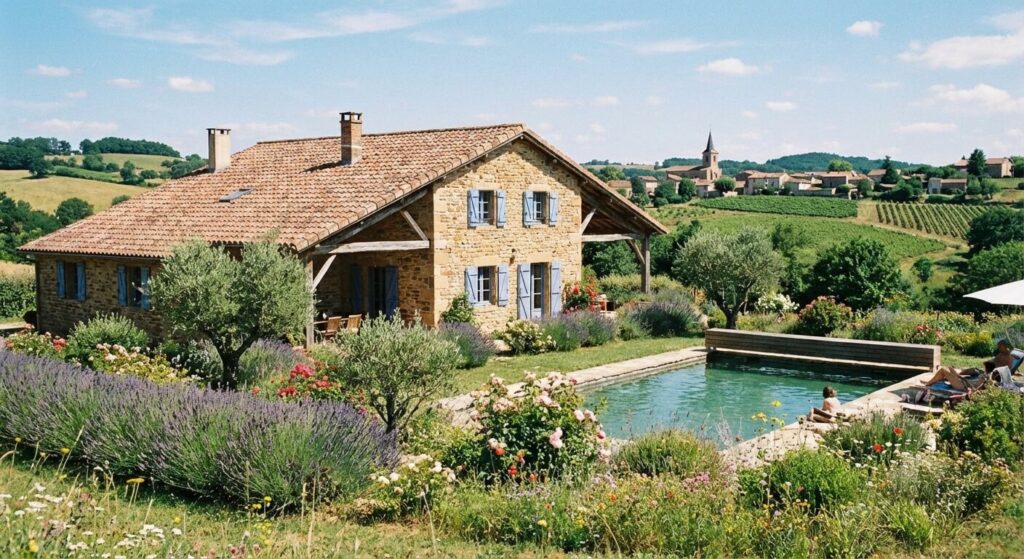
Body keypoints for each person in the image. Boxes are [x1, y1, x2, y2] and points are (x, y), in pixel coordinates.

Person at [922, 339, 1015, 391]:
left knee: (943, 370)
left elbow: (1003, 371)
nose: (998, 347)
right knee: (949, 368)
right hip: (966, 382)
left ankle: (928, 384)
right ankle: (931, 382)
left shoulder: (989, 377)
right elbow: (993, 363)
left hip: (964, 386)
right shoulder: (1001, 356)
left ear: (1004, 346)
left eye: (1000, 346)